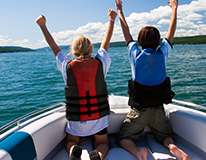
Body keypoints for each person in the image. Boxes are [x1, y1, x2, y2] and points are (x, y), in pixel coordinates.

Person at [36, 9, 117, 160]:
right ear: (92, 49)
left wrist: (43, 26)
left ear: (73, 51)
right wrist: (111, 20)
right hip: (99, 118)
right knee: (103, 143)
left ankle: (73, 150)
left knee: (72, 140)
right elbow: (106, 41)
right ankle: (98, 155)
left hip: (76, 121)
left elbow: (53, 45)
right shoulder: (100, 63)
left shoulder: (67, 66)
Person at [114, 0, 190, 160]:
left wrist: (120, 11)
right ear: (158, 41)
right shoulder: (163, 53)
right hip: (158, 111)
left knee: (122, 139)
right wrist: (174, 8)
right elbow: (172, 30)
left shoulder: (135, 54)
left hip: (139, 111)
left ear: (140, 41)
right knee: (165, 136)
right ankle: (172, 147)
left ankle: (138, 152)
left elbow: (126, 32)